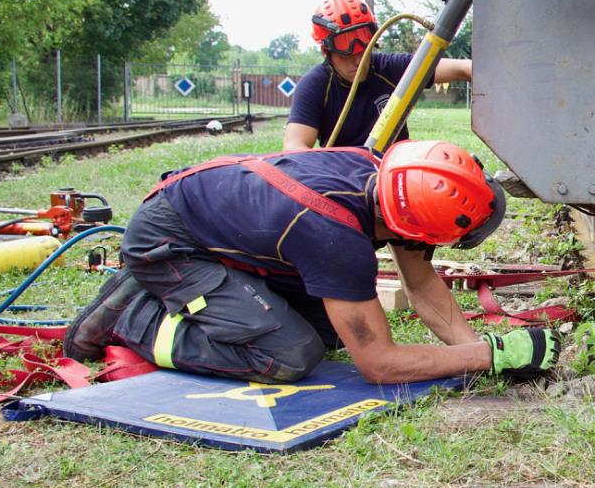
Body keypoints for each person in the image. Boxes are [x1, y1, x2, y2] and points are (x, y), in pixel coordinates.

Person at [63, 139, 551, 385]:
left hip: (218, 224)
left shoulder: (395, 179)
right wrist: (490, 353)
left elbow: (423, 287)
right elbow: (378, 364)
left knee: (329, 327)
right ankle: (134, 314)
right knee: (291, 354)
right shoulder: (335, 236)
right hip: (168, 243)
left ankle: (201, 299)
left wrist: (483, 356)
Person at [283, 0, 475, 151]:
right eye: (347, 54)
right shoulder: (314, 85)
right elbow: (294, 148)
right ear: (326, 51)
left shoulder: (389, 67)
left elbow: (462, 67)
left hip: (396, 176)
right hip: (343, 182)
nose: (358, 61)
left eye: (363, 51)